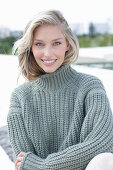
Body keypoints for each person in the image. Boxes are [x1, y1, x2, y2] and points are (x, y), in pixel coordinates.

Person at [7, 10, 113, 170]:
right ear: (30, 47)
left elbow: (102, 145)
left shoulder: (90, 86)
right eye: (39, 44)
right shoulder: (20, 97)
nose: (48, 53)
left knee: (105, 160)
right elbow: (22, 162)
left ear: (67, 44)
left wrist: (41, 165)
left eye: (56, 43)